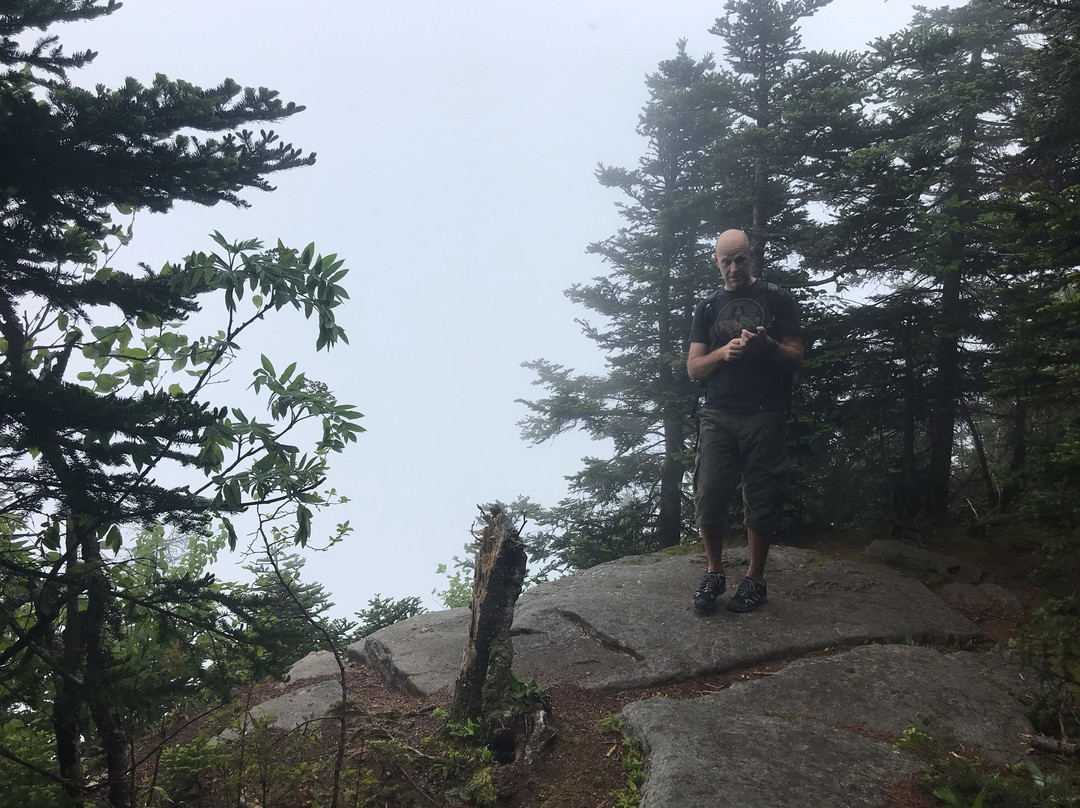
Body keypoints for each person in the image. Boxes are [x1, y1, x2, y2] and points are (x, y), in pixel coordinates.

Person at [686, 229, 803, 612]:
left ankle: (755, 580)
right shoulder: (706, 308)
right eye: (726, 261)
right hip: (717, 414)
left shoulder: (777, 298)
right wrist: (723, 354)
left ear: (751, 256)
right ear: (715, 261)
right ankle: (714, 571)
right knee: (709, 493)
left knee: (761, 498)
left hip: (764, 413)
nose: (734, 268)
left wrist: (767, 346)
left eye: (740, 259)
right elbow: (694, 367)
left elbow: (796, 356)